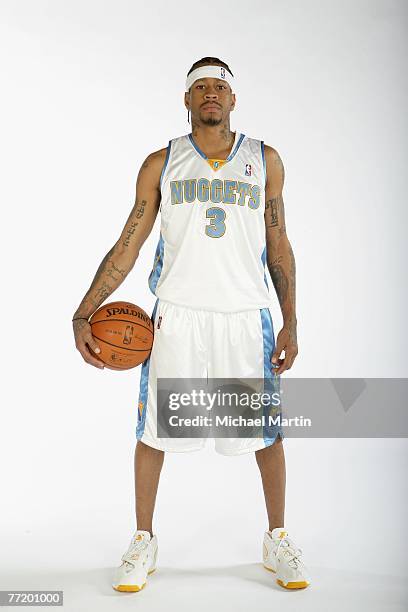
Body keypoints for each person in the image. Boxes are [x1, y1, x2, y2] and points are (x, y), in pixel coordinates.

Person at [72, 56, 311, 592]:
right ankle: (142, 541)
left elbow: (280, 245)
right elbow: (128, 245)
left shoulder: (264, 160)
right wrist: (84, 309)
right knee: (154, 433)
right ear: (185, 100)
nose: (210, 93)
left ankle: (277, 538)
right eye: (199, 86)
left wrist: (291, 319)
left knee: (266, 434)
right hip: (176, 318)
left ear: (232, 100)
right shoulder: (162, 163)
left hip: (245, 318)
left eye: (219, 87)